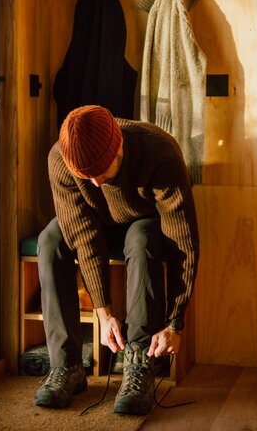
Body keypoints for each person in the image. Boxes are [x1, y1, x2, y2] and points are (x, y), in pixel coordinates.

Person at [34, 105, 199, 415]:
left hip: (143, 219)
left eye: (101, 171)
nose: (95, 183)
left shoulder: (159, 151)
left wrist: (175, 322)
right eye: (86, 176)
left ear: (119, 145)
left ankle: (139, 363)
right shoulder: (60, 159)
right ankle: (66, 366)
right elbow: (83, 236)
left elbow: (183, 243)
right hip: (95, 221)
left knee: (141, 242)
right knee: (49, 241)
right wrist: (103, 311)